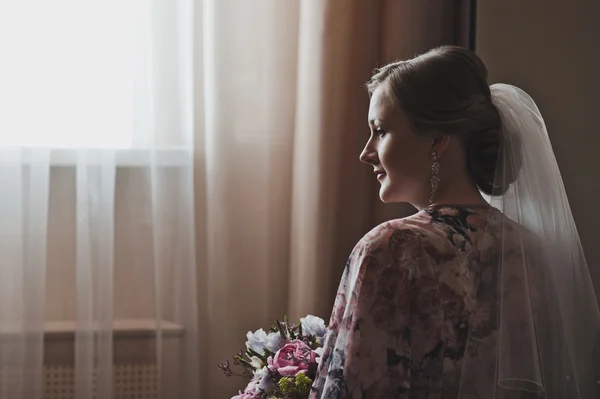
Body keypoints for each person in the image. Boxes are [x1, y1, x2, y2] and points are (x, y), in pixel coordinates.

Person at [309, 46, 600, 398]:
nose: (366, 152)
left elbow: (354, 388)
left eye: (381, 130)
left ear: (437, 139)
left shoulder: (393, 246)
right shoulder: (529, 251)